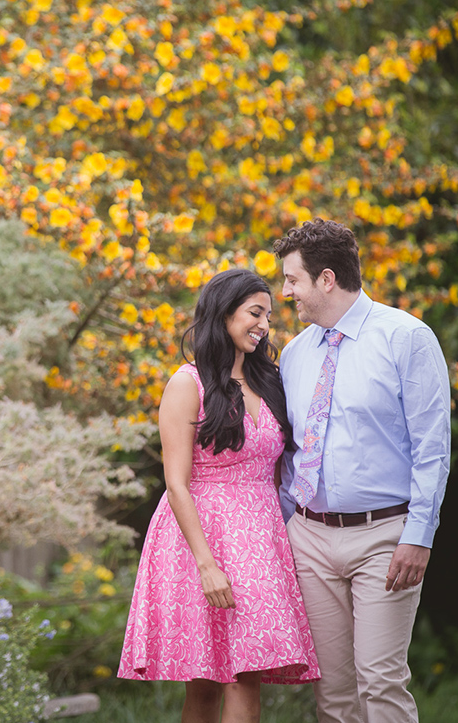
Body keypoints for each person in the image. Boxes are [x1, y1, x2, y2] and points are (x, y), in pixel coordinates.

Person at [118, 268, 319, 723]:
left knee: (245, 674)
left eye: (268, 315)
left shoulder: (270, 381)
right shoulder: (186, 383)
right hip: (199, 537)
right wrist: (206, 564)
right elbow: (176, 483)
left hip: (261, 539)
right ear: (223, 313)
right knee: (205, 684)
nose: (264, 325)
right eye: (255, 313)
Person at [272, 218, 451, 723]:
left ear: (326, 279)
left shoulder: (407, 337)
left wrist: (419, 535)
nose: (287, 293)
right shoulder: (294, 354)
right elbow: (291, 452)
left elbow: (432, 448)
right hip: (310, 537)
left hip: (384, 538)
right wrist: (284, 528)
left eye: (292, 280)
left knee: (380, 681)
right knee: (332, 693)